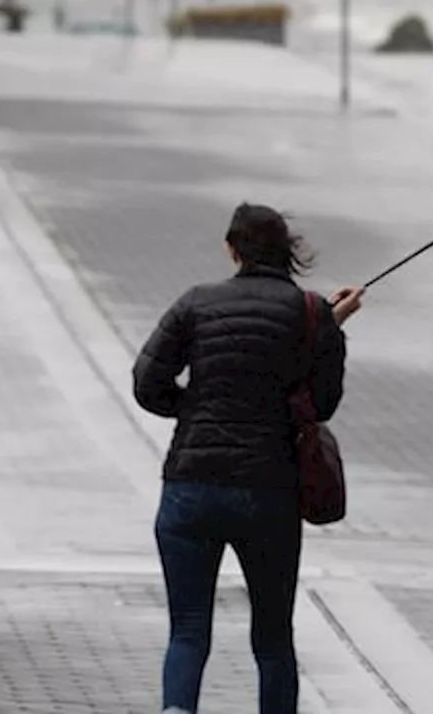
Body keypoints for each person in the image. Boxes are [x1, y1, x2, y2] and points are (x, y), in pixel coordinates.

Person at [132, 202, 364, 714]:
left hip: (192, 485)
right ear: (288, 253)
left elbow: (147, 384)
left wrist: (192, 410)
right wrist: (330, 327)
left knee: (188, 629)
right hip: (269, 491)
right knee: (273, 638)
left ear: (231, 249)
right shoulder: (309, 312)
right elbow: (323, 404)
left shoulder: (195, 303)